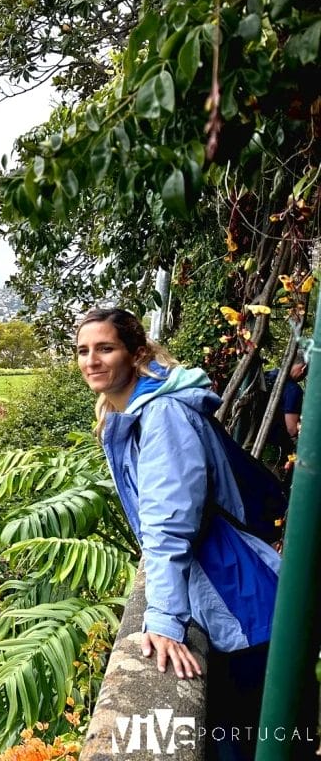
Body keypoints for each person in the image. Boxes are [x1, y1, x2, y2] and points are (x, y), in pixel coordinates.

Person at [76, 308, 286, 759]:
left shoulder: (162, 417)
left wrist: (166, 621)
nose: (91, 360)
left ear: (136, 354)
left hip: (241, 604)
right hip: (234, 597)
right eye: (83, 350)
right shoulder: (137, 414)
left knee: (250, 745)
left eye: (105, 348)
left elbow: (168, 526)